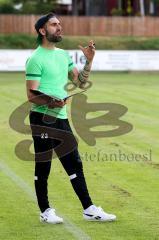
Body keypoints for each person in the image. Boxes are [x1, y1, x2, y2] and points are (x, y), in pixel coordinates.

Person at [25, 12, 116, 224]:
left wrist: (89, 61)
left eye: (60, 24)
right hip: (42, 118)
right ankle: (45, 211)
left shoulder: (63, 55)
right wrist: (51, 100)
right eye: (54, 25)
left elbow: (80, 83)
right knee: (44, 164)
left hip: (61, 116)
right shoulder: (35, 59)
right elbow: (31, 95)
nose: (59, 27)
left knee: (73, 162)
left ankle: (89, 208)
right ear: (42, 30)